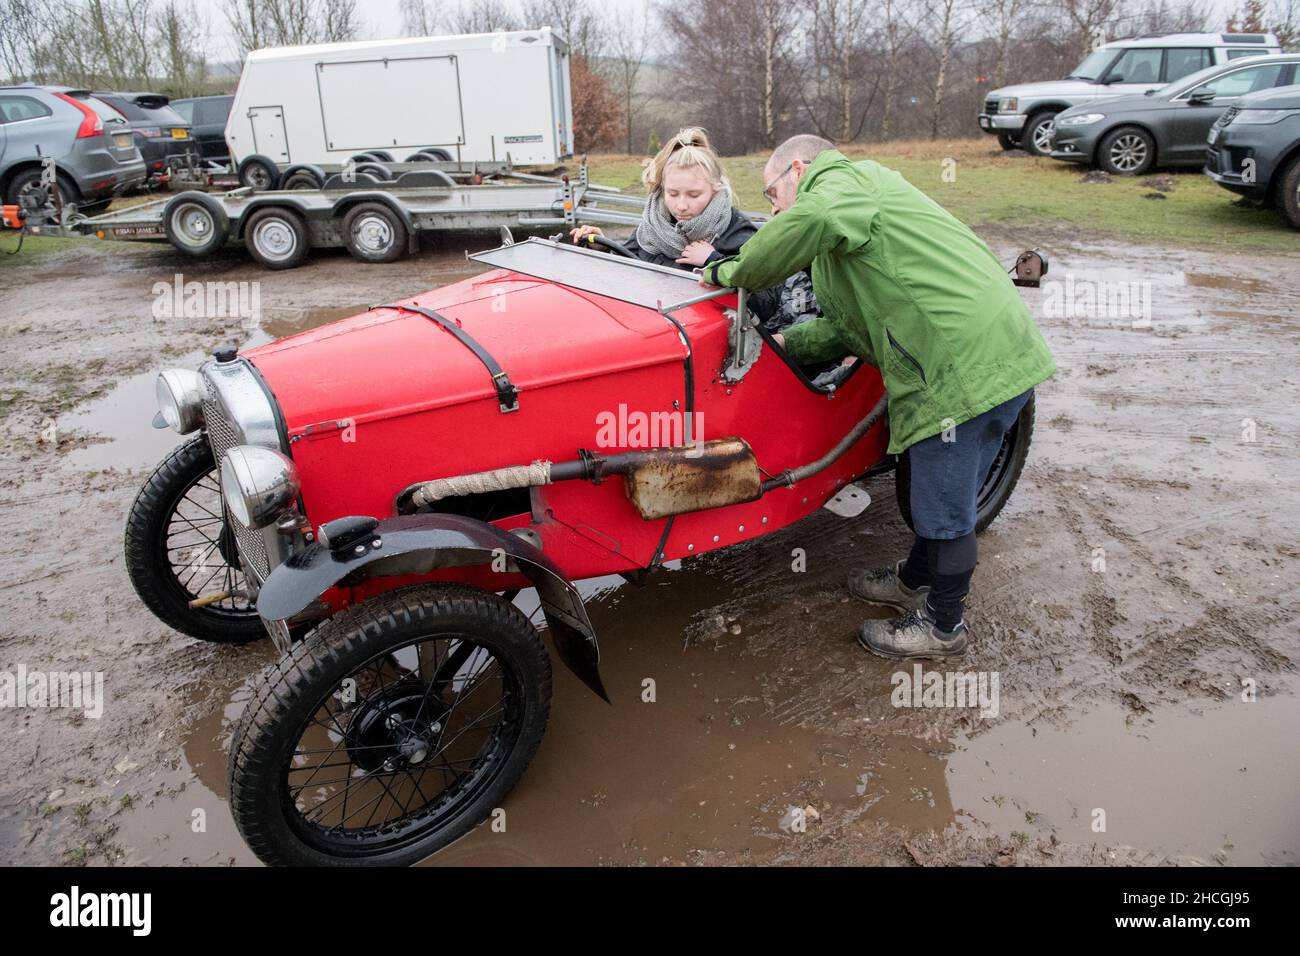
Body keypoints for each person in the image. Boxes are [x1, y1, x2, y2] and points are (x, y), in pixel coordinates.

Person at [699, 134, 1056, 660]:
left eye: (772, 195)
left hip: (962, 368)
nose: (773, 210)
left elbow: (802, 226)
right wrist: (784, 346)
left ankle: (942, 628)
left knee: (945, 510)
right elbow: (852, 328)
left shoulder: (841, 185)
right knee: (937, 495)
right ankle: (914, 581)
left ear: (798, 169)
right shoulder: (857, 207)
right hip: (986, 356)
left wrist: (729, 271)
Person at [569, 127, 780, 321]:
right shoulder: (652, 229)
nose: (681, 206)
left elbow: (766, 303)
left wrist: (713, 262)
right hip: (654, 332)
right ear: (662, 189)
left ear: (715, 190)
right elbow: (628, 269)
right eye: (672, 194)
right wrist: (603, 247)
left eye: (693, 195)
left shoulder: (737, 233)